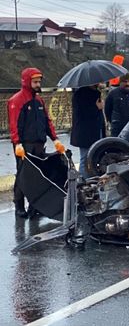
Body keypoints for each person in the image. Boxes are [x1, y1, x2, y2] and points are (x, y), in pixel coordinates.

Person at [8, 68, 65, 218]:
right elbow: (14, 124)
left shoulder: (38, 100)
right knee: (23, 175)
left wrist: (55, 139)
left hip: (39, 143)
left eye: (39, 81)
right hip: (24, 144)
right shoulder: (17, 100)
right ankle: (19, 205)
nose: (38, 84)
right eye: (35, 82)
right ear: (27, 82)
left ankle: (34, 206)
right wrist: (17, 143)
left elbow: (47, 121)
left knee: (39, 176)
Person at [70, 84, 106, 178]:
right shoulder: (79, 94)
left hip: (96, 130)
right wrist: (97, 108)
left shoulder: (96, 93)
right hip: (85, 133)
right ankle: (83, 182)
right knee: (85, 159)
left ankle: (92, 179)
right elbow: (82, 114)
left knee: (95, 157)